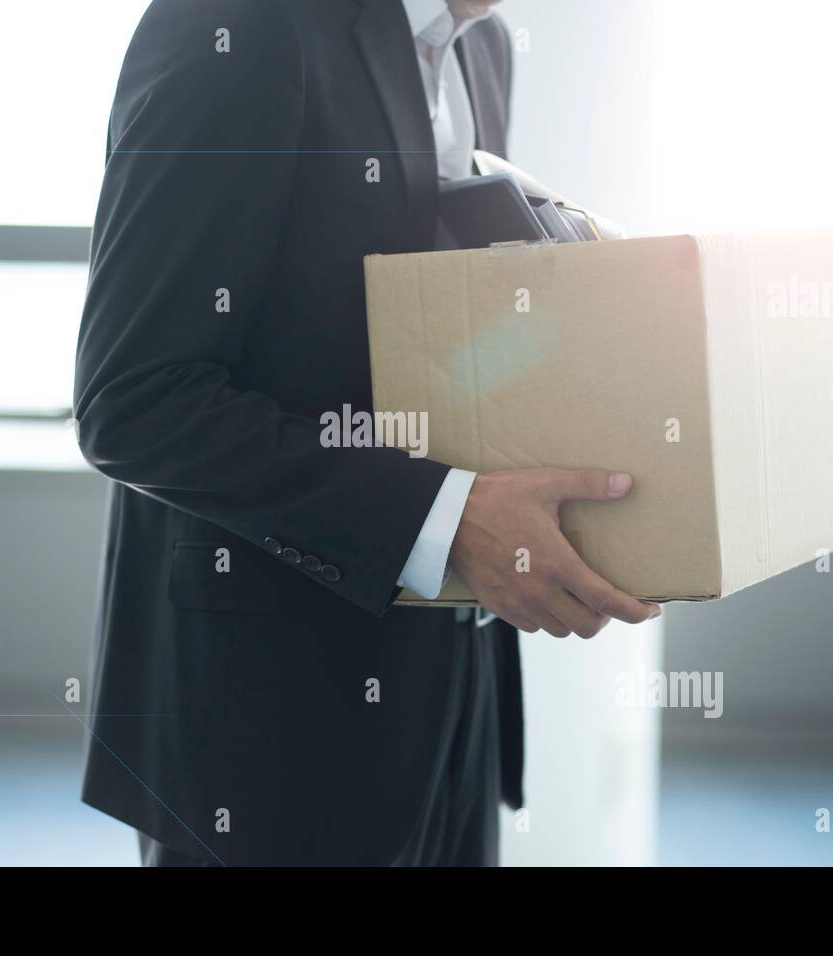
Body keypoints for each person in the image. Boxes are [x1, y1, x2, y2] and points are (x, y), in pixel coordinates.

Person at [73, 0, 660, 867]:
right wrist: (447, 519)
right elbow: (134, 399)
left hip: (454, 694)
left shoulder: (484, 47)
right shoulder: (237, 22)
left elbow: (407, 348)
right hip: (267, 726)